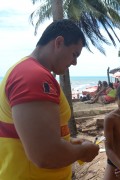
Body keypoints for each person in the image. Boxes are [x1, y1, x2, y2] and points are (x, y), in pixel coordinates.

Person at [0, 19, 99, 180]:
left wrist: (68, 141)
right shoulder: (34, 76)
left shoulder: (27, 71)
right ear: (59, 42)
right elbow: (45, 154)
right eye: (74, 54)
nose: (74, 62)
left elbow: (31, 135)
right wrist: (84, 151)